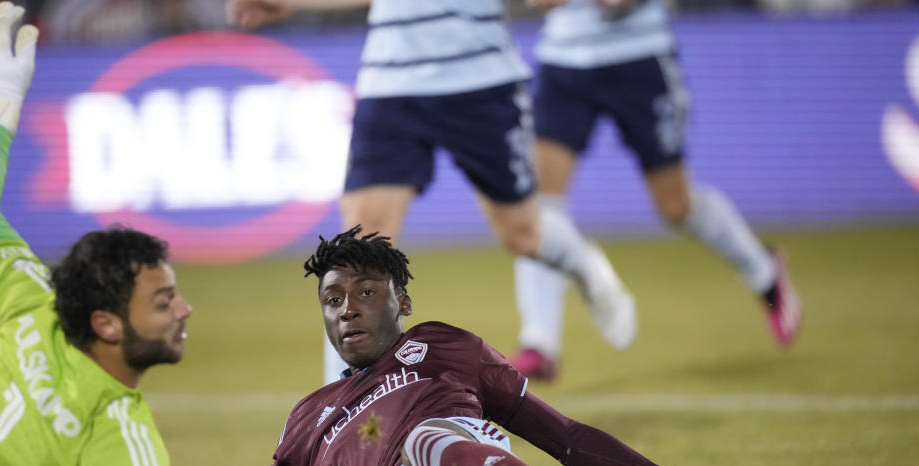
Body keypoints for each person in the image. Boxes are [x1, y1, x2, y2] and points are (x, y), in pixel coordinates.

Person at [0, 227, 790, 466]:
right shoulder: (305, 421)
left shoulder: (445, 348)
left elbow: (568, 439)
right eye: (332, 300)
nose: (347, 311)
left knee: (428, 436)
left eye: (366, 293)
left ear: (404, 302)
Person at [0, 4, 285, 466]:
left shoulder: (32, 303)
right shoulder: (109, 431)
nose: (186, 309)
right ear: (105, 323)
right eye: (164, 301)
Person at [227, 0, 637, 385]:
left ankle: (586, 268)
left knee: (523, 236)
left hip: (481, 81)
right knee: (359, 248)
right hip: (391, 84)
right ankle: (342, 411)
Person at [510, 0, 802, 380]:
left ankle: (764, 272)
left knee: (675, 206)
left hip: (640, 58)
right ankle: (540, 340)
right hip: (564, 62)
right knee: (536, 204)